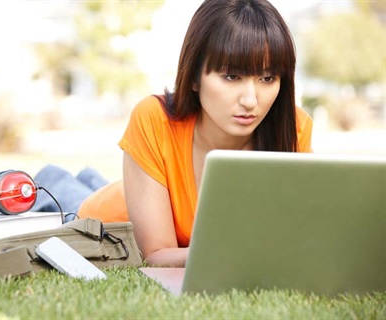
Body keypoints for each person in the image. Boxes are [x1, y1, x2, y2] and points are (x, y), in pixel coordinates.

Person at [35, 0, 313, 268]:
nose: (251, 100)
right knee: (61, 192)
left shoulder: (293, 128)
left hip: (142, 192)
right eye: (231, 77)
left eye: (267, 79)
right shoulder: (153, 118)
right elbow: (156, 255)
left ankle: (86, 178)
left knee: (96, 182)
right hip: (100, 216)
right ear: (193, 77)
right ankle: (54, 176)